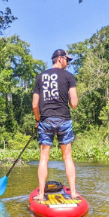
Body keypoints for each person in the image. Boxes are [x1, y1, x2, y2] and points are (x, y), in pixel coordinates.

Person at [32, 48, 80, 201]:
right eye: (67, 59)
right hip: (64, 120)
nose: (68, 62)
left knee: (44, 158)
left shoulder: (40, 77)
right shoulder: (69, 77)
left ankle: (40, 194)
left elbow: (34, 105)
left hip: (45, 121)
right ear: (60, 59)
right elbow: (74, 104)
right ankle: (73, 193)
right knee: (67, 158)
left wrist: (38, 120)